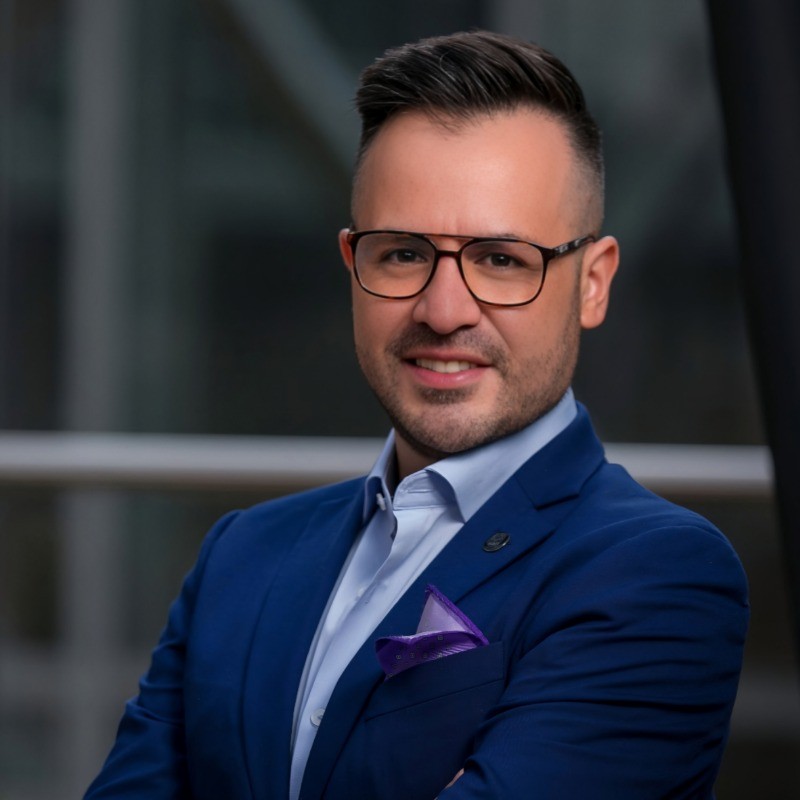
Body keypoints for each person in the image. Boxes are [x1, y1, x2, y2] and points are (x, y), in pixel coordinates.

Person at [85, 30, 748, 799]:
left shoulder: (656, 574)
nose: (442, 310)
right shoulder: (243, 556)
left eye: (502, 260)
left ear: (593, 283)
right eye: (403, 253)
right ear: (353, 266)